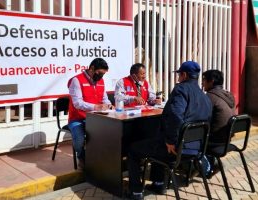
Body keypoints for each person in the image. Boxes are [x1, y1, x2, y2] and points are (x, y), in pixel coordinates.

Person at [127, 61, 212, 200]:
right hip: (196, 149)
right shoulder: (204, 96)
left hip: (176, 149)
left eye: (179, 74)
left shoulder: (181, 90)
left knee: (133, 150)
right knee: (157, 141)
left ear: (184, 75)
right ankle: (159, 183)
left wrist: (170, 141)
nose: (178, 77)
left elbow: (175, 116)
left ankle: (135, 192)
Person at [67, 58, 112, 169]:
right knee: (80, 139)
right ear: (92, 68)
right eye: (100, 73)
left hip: (95, 117)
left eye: (103, 74)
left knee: (111, 133)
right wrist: (96, 107)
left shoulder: (101, 81)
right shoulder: (76, 80)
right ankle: (81, 156)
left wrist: (109, 105)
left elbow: (104, 98)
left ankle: (99, 157)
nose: (101, 76)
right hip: (77, 118)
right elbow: (78, 103)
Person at [202, 69, 235, 177]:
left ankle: (204, 168)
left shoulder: (210, 97)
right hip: (227, 138)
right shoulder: (228, 95)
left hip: (215, 140)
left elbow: (200, 118)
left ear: (211, 81)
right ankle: (211, 163)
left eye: (204, 80)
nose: (202, 83)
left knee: (190, 136)